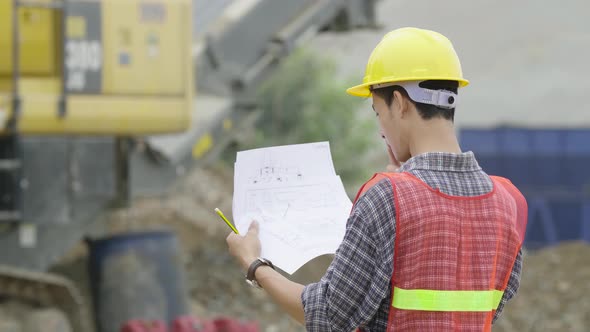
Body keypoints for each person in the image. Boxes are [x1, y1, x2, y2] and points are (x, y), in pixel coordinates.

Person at [226, 27, 527, 331]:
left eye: (377, 111)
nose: (381, 128)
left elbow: (328, 315)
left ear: (399, 103)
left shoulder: (387, 198)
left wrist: (255, 265)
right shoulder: (506, 203)